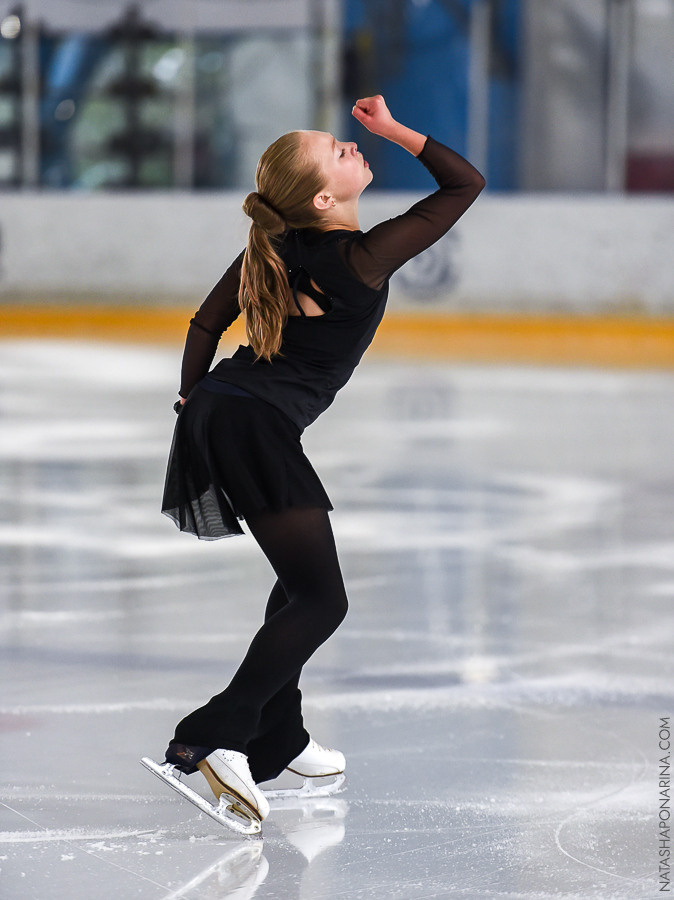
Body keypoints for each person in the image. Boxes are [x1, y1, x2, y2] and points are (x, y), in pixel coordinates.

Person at [146, 95, 485, 833]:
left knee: (298, 586)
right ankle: (218, 733)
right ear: (325, 198)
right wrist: (397, 130)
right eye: (338, 148)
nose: (350, 145)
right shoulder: (361, 258)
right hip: (254, 422)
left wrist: (188, 397)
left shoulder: (273, 246)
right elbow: (464, 186)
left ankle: (281, 735)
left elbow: (207, 322)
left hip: (224, 407)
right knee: (322, 601)